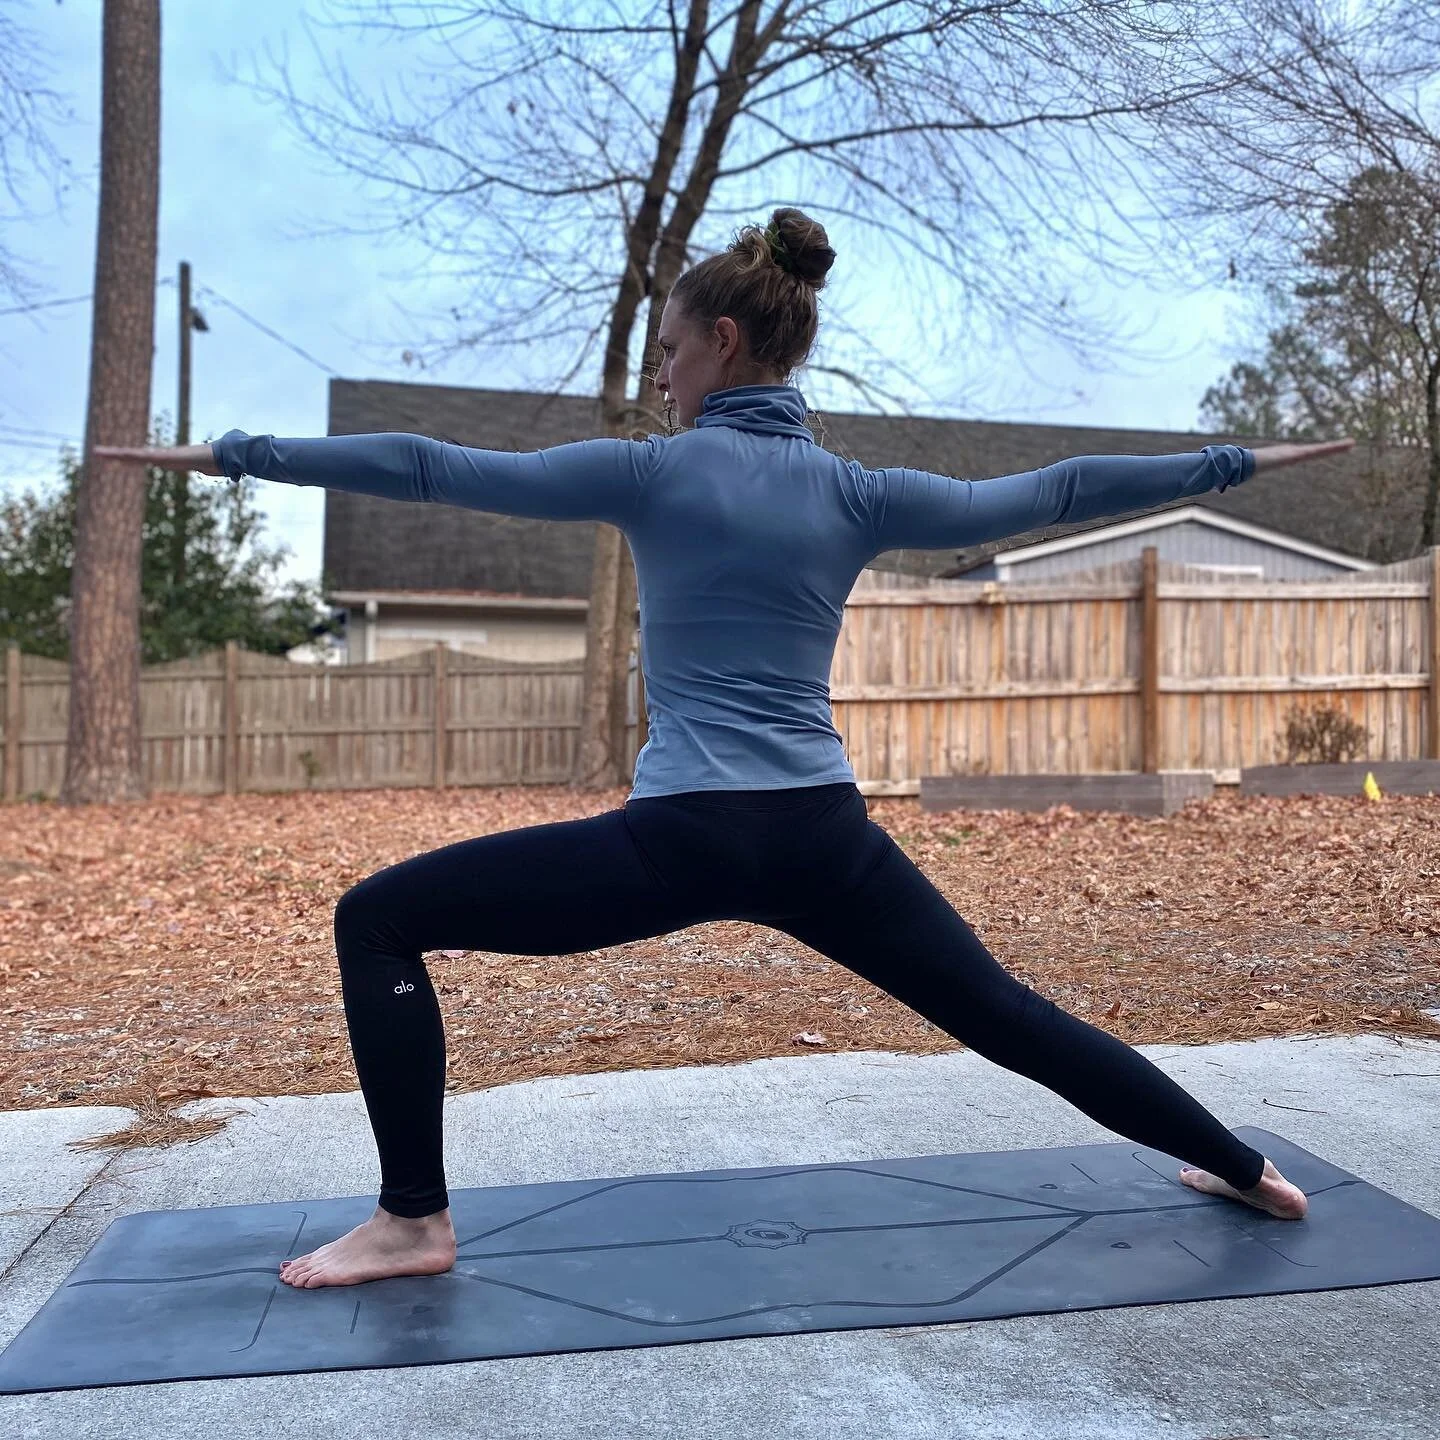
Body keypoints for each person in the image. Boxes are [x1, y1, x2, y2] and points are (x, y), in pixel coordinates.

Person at [98, 206, 1353, 1291]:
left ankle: (413, 1221)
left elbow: (428, 467)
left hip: (685, 839)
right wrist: (1237, 461)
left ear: (726, 344)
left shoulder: (654, 474)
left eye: (670, 350)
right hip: (823, 838)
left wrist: (231, 455)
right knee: (1008, 1016)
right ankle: (1249, 1170)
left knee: (377, 919)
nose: (661, 376)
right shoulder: (861, 492)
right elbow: (1061, 490)